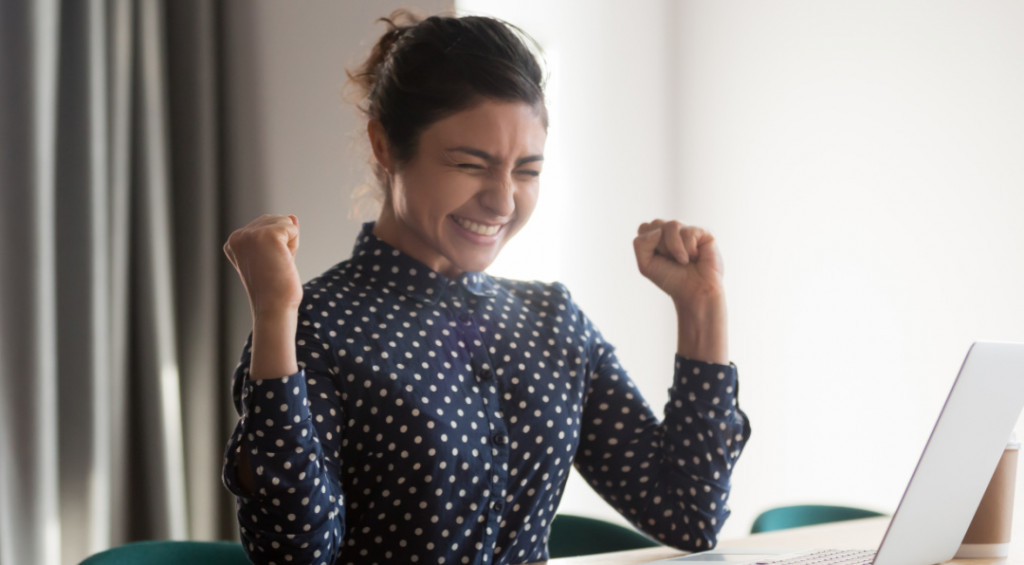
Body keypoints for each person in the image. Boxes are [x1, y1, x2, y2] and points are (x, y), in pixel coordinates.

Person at [221, 10, 750, 565]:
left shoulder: (552, 320)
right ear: (384, 144)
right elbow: (294, 553)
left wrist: (701, 308)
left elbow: (689, 514)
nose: (502, 202)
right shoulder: (317, 324)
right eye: (471, 164)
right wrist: (275, 315)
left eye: (527, 171)